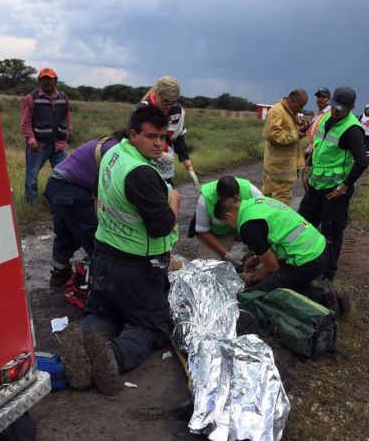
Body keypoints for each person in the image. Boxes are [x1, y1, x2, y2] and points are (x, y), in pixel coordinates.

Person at [59, 104, 182, 395]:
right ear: (133, 134)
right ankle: (112, 356)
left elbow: (96, 196)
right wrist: (174, 199)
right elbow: (162, 226)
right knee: (151, 327)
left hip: (104, 256)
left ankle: (84, 344)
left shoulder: (113, 154)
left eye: (162, 138)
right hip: (136, 267)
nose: (158, 144)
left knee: (105, 312)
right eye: (151, 136)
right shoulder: (140, 173)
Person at [299, 86, 368, 310]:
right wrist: (308, 166)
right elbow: (317, 147)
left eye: (341, 109)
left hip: (334, 194)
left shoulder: (352, 130)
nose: (336, 111)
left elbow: (361, 161)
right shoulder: (326, 118)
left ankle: (326, 275)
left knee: (330, 233)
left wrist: (345, 186)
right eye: (334, 107)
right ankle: (300, 262)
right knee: (302, 223)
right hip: (316, 186)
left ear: (351, 108)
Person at [214, 195, 334, 309]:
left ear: (229, 216)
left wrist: (252, 278)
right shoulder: (257, 202)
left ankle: (324, 298)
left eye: (228, 224)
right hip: (318, 248)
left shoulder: (247, 227)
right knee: (281, 278)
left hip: (309, 261)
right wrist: (256, 258)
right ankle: (309, 286)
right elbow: (270, 234)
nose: (232, 228)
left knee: (260, 292)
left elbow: (272, 266)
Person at [43, 130, 124, 286]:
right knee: (95, 235)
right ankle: (105, 284)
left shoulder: (108, 142)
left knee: (67, 232)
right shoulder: (117, 150)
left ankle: (59, 274)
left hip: (56, 186)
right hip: (70, 190)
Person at [134, 76, 199, 188]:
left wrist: (190, 168)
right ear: (157, 94)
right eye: (165, 101)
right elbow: (132, 142)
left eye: (173, 102)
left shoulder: (177, 112)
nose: (169, 106)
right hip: (143, 170)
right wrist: (160, 154)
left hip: (165, 171)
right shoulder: (142, 109)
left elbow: (179, 140)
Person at [21, 67, 72, 203]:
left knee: (62, 175)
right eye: (44, 79)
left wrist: (68, 133)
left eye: (50, 79)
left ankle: (56, 202)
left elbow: (67, 117)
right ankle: (30, 205)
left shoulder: (63, 97)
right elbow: (26, 122)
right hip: (38, 145)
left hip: (59, 144)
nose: (47, 82)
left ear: (55, 81)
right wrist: (30, 140)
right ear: (39, 81)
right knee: (32, 176)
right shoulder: (31, 98)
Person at [194, 175, 263, 265]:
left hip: (247, 229)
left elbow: (265, 220)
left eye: (235, 200)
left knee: (263, 258)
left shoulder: (251, 191)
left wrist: (256, 253)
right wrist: (227, 255)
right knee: (209, 265)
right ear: (219, 196)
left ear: (238, 194)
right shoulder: (205, 199)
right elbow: (203, 231)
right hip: (219, 235)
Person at [261, 89, 308, 206]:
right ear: (293, 101)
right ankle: (276, 224)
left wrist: (298, 129)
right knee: (281, 204)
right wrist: (295, 134)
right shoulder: (277, 111)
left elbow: (284, 131)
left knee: (268, 201)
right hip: (280, 170)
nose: (301, 109)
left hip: (278, 167)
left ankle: (266, 223)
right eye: (300, 106)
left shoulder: (286, 111)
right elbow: (272, 135)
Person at [304, 87, 332, 159]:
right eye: (318, 96)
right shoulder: (317, 113)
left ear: (329, 99)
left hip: (323, 153)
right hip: (314, 149)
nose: (320, 99)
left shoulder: (331, 114)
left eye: (323, 97)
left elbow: (332, 138)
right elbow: (315, 133)